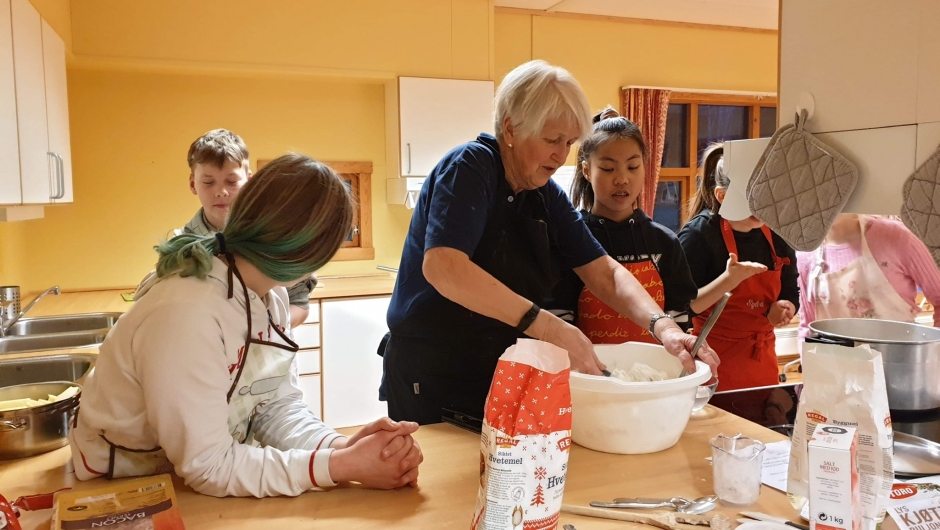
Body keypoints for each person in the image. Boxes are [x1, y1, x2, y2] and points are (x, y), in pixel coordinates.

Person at [383, 60, 719, 425]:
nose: (561, 156)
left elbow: (604, 272)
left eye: (569, 142)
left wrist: (664, 327)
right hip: (433, 369)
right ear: (511, 128)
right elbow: (445, 267)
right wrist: (549, 327)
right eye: (551, 140)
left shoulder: (542, 194)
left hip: (498, 366)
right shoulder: (470, 166)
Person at [70, 154, 423, 497]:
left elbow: (272, 407)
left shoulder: (269, 296)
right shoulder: (188, 314)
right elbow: (208, 465)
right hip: (119, 487)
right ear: (311, 254)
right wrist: (342, 467)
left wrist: (342, 447)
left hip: (198, 482)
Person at [548, 107, 727, 343]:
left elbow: (679, 314)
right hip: (587, 373)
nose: (622, 178)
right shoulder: (572, 237)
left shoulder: (664, 242)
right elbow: (558, 316)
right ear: (587, 171)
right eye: (608, 168)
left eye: (633, 167)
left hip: (653, 374)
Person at [678, 144, 799, 391]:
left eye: (766, 196)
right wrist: (728, 280)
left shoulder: (778, 234)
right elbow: (684, 308)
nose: (759, 206)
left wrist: (785, 309)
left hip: (762, 358)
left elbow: (790, 290)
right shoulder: (698, 236)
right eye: (749, 198)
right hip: (710, 358)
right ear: (722, 196)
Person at [172, 129, 317, 328]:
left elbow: (299, 304)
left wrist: (262, 332)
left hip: (268, 349)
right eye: (208, 182)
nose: (221, 191)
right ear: (192, 184)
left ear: (249, 180)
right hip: (209, 351)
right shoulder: (180, 246)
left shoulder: (273, 236)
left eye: (231, 182)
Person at [797, 213, 940, 345]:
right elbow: (808, 326)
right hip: (836, 366)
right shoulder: (806, 254)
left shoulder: (896, 237)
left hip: (899, 363)